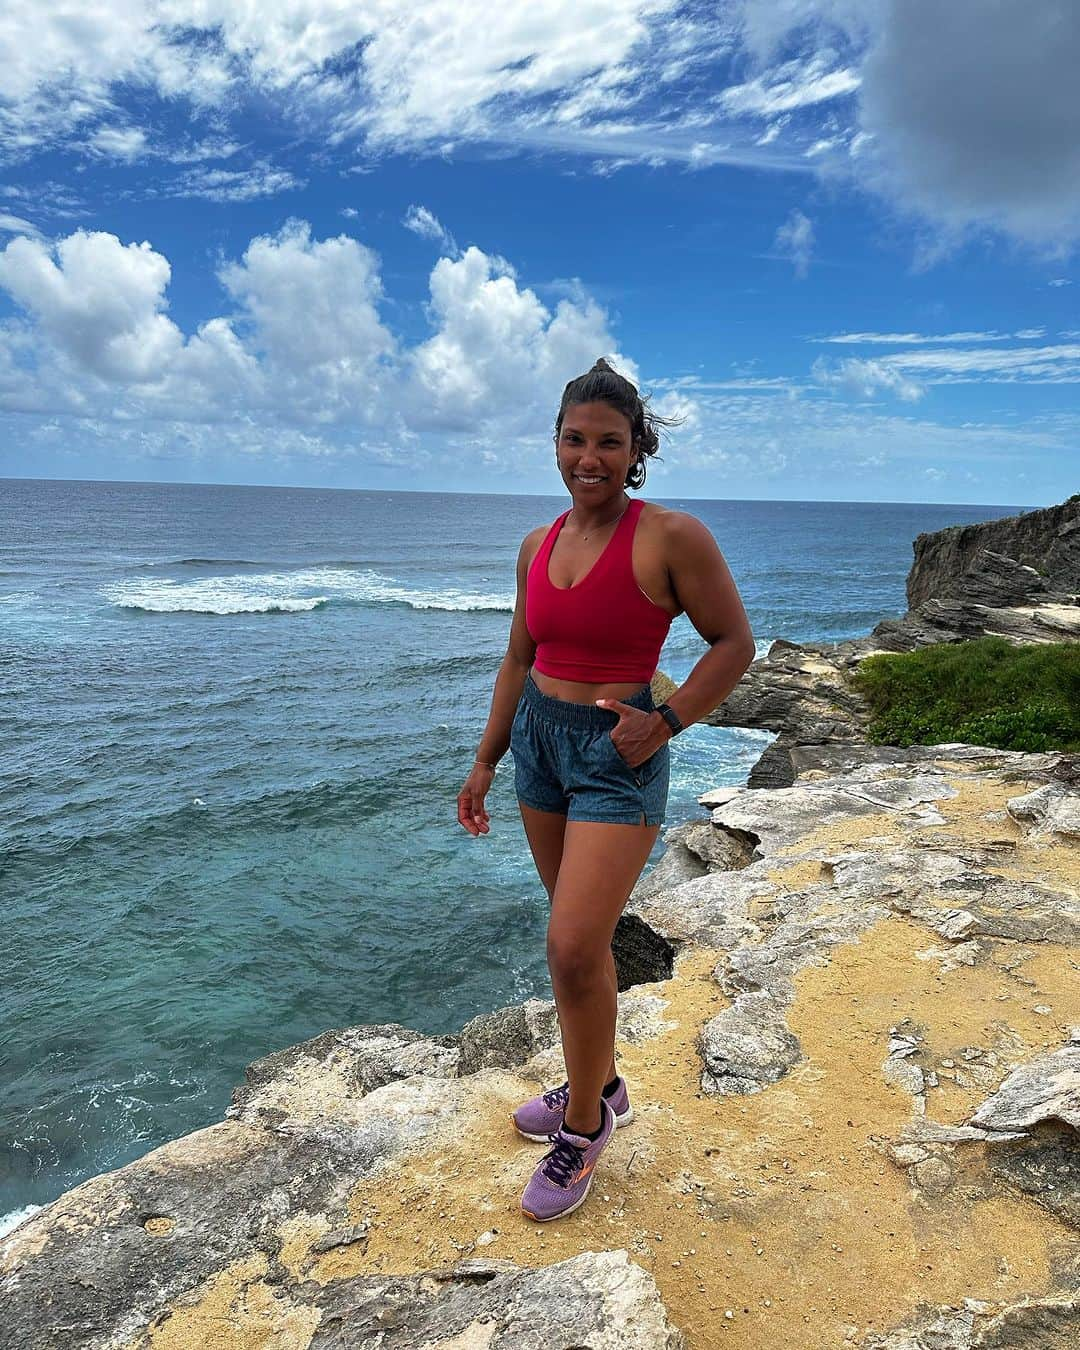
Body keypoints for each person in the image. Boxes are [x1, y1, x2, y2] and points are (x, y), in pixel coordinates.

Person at [457, 357, 756, 1222]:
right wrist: (485, 759)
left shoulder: (671, 537)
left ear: (637, 451)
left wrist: (664, 723)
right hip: (538, 749)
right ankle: (602, 1084)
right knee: (576, 946)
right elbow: (521, 656)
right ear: (555, 444)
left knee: (571, 947)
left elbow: (732, 642)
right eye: (574, 440)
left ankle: (585, 1131)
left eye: (610, 443)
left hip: (617, 754)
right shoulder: (536, 545)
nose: (590, 458)